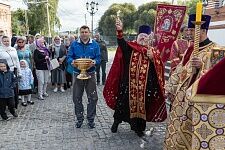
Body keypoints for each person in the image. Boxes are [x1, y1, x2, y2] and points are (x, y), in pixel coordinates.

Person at [103, 18, 167, 137]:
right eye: (141, 36)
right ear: (137, 37)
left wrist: (153, 58)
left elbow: (160, 68)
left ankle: (138, 128)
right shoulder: (130, 48)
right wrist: (119, 31)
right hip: (128, 84)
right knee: (122, 106)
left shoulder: (153, 51)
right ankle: (116, 122)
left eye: (145, 36)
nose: (143, 38)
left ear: (149, 38)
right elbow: (121, 43)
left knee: (142, 108)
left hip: (145, 88)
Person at [164, 14, 218, 149]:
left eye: (192, 30)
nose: (189, 33)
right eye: (188, 30)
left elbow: (217, 79)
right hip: (180, 101)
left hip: (197, 105)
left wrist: (202, 67)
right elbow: (179, 70)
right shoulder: (190, 49)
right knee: (178, 133)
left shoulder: (216, 51)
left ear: (203, 31)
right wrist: (170, 88)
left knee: (193, 135)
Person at [67, 25, 101, 129]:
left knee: (93, 97)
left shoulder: (95, 45)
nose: (84, 34)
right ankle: (79, 118)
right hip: (77, 74)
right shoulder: (74, 44)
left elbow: (99, 57)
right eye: (82, 32)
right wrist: (71, 62)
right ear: (79, 33)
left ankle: (90, 119)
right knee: (76, 97)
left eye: (86, 32)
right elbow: (69, 56)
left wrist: (94, 62)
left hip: (90, 74)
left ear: (89, 33)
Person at [0, 36, 21, 108]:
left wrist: (19, 71)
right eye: (4, 41)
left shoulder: (13, 49)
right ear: (1, 42)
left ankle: (14, 104)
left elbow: (17, 60)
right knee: (6, 88)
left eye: (7, 41)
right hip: (5, 72)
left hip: (14, 70)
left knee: (14, 87)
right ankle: (5, 104)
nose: (6, 42)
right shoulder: (0, 50)